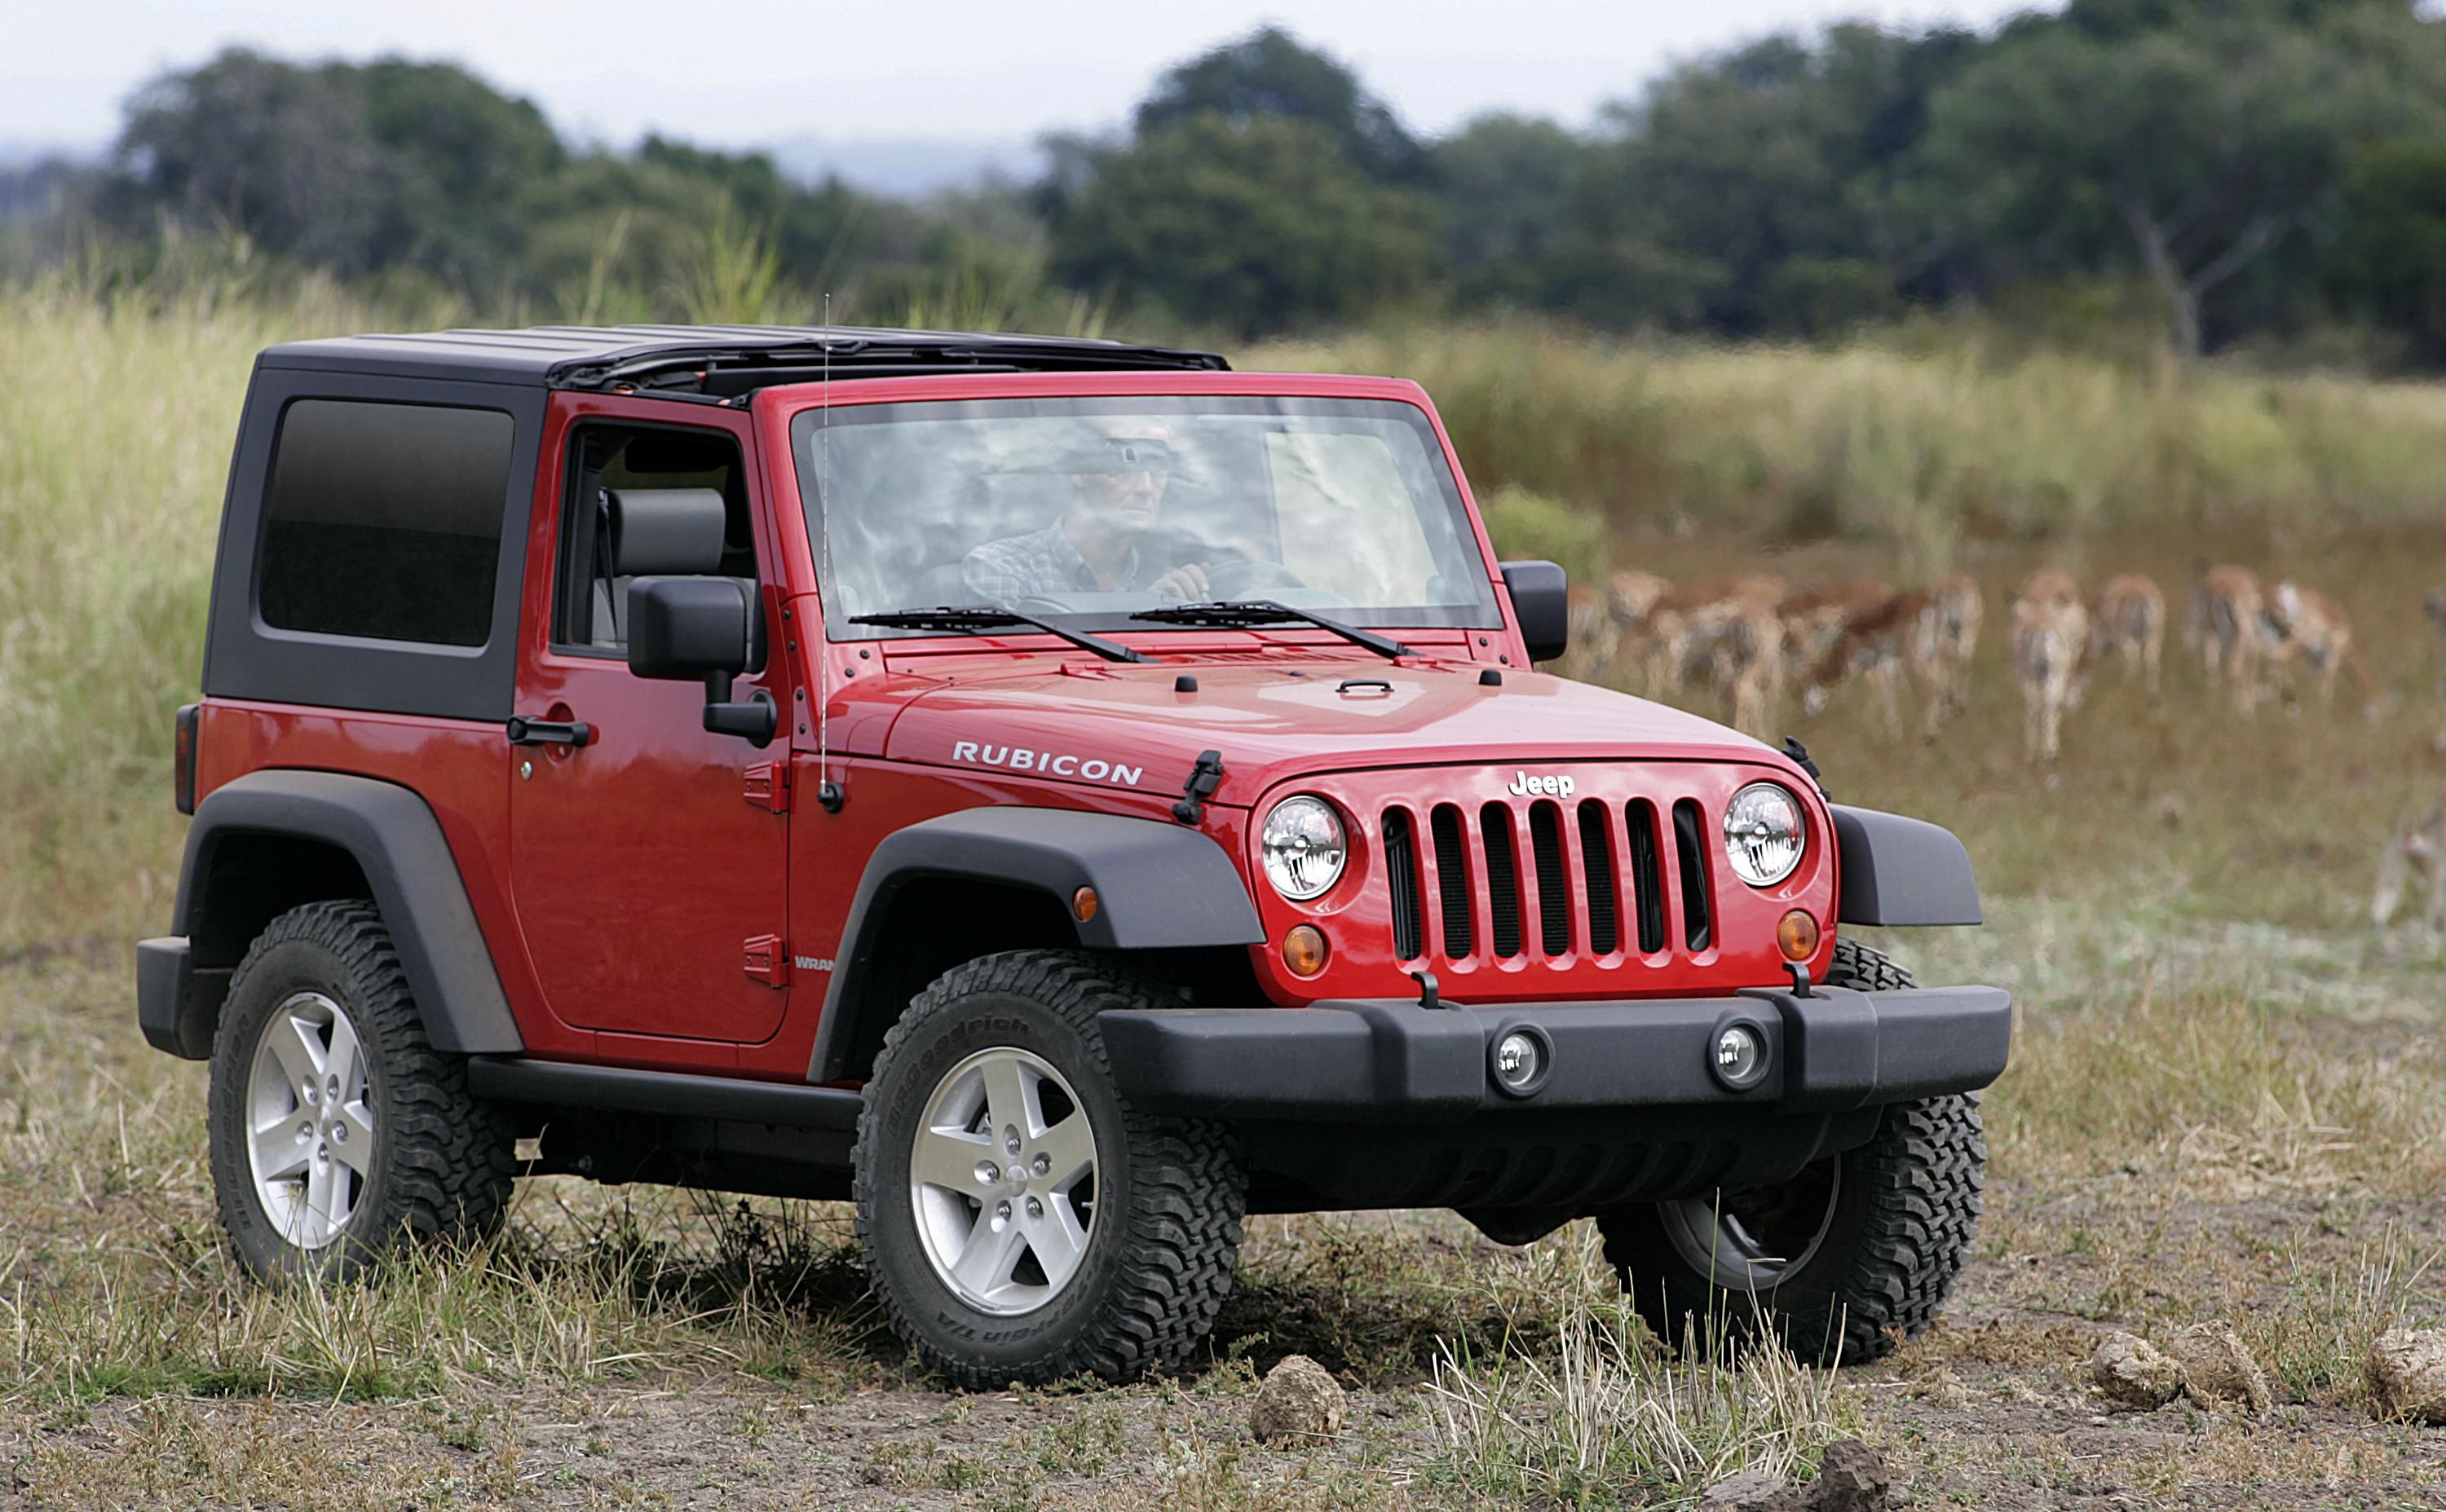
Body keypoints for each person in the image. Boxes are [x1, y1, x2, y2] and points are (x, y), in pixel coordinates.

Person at [960, 427, 1213, 603]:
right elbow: (1019, 672)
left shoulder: (1172, 585)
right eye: (1122, 469)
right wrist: (1145, 613)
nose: (1146, 488)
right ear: (1079, 471)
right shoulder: (1001, 568)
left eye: (1158, 471)